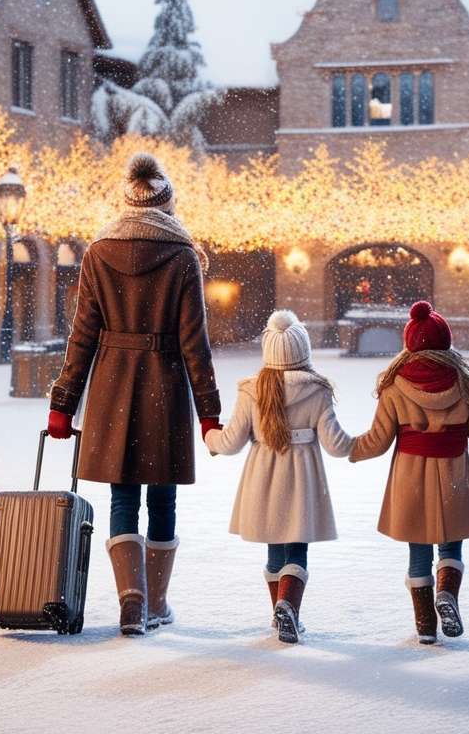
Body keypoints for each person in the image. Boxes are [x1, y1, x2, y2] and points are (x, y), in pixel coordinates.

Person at [46, 153, 221, 637]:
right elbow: (194, 344)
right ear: (168, 205)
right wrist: (209, 413)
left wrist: (63, 403)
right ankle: (157, 603)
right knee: (162, 498)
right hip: (163, 383)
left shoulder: (98, 253)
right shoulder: (183, 256)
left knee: (123, 496)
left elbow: (82, 334)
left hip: (111, 384)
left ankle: (131, 600)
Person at [349, 301, 469, 644]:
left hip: (410, 479)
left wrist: (348, 448)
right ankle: (447, 593)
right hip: (454, 474)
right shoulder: (466, 385)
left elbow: (378, 442)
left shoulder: (394, 387)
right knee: (451, 547)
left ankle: (425, 626)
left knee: (418, 551)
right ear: (445, 343)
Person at [204, 310, 354, 644]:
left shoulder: (251, 391)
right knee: (296, 549)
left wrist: (209, 437)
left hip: (264, 478)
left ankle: (279, 612)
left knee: (274, 549)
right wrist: (365, 444)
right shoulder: (317, 390)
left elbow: (230, 443)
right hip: (302, 478)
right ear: (303, 351)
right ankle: (288, 608)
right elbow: (335, 444)